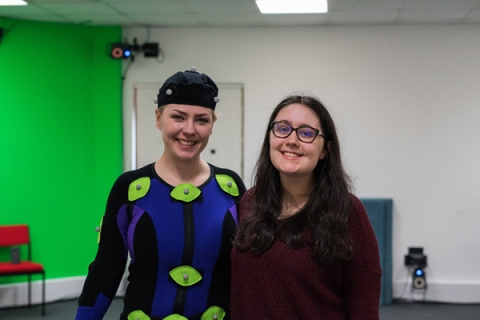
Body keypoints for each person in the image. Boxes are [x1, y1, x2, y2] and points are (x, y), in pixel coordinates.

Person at [75, 67, 246, 320]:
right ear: (158, 118)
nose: (189, 130)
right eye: (178, 117)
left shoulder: (230, 187)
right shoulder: (129, 188)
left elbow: (250, 268)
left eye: (202, 119)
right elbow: (106, 270)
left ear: (212, 125)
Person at [231, 94, 382, 319]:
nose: (291, 140)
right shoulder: (251, 201)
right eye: (282, 129)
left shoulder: (347, 212)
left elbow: (364, 309)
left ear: (325, 150)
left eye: (306, 133)